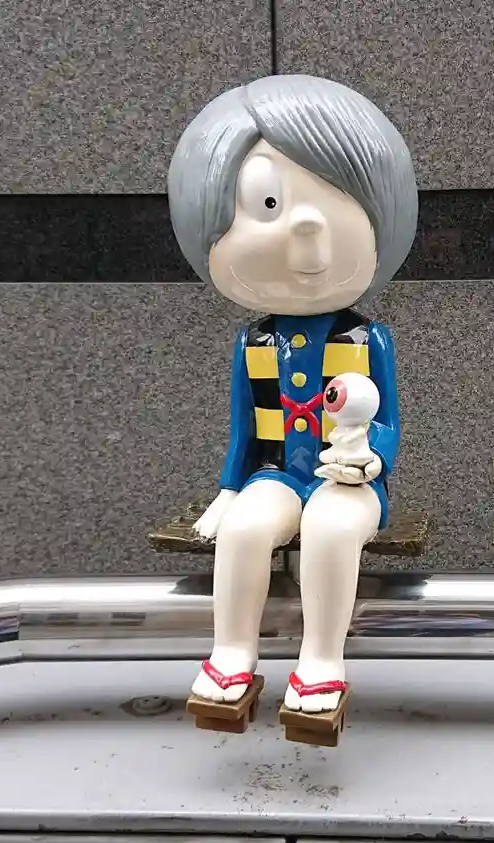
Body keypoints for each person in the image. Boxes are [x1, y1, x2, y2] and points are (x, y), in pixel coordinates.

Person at [167, 74, 418, 716]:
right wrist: (230, 488)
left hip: (348, 480)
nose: (306, 226)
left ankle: (322, 660)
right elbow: (244, 430)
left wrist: (371, 458)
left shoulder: (365, 339)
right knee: (246, 529)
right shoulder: (254, 342)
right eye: (269, 203)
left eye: (335, 199)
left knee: (331, 529)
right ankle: (231, 653)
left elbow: (387, 422)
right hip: (278, 473)